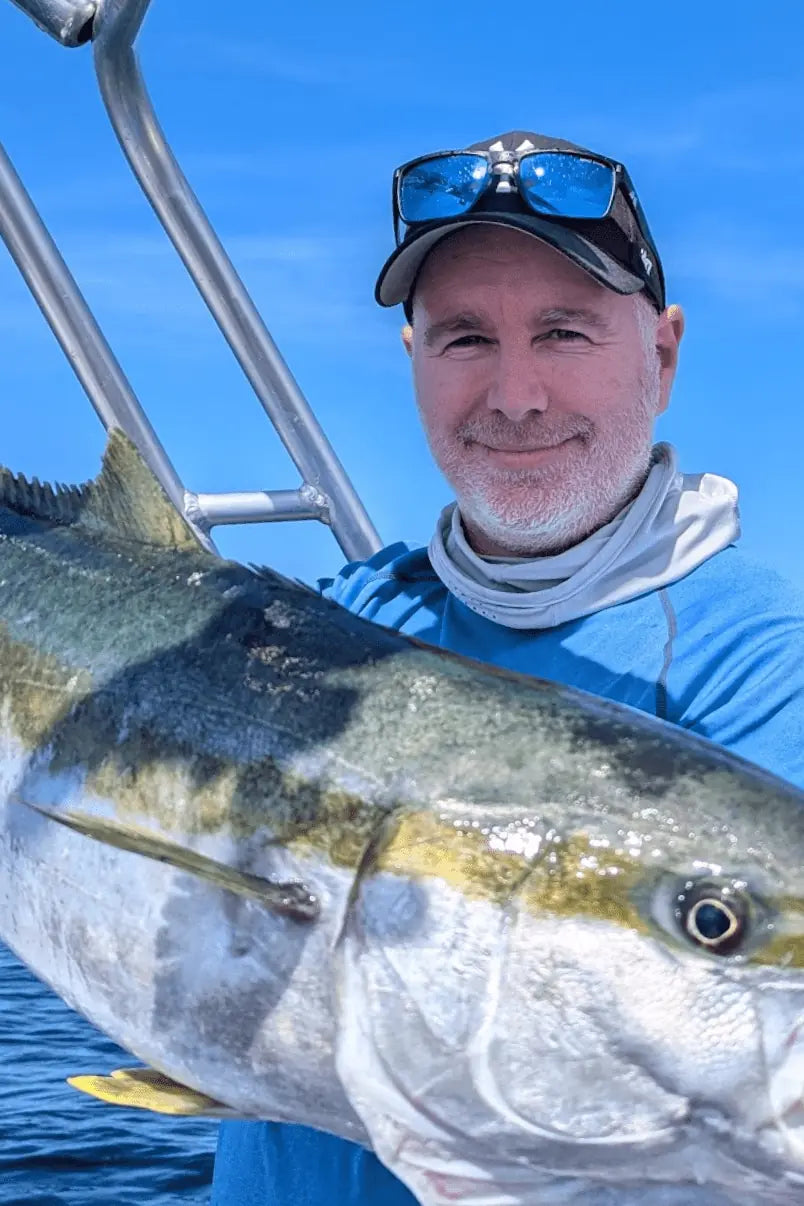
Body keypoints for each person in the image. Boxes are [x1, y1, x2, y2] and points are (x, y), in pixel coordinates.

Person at [210, 129, 804, 1204]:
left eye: (564, 331)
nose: (515, 394)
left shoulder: (768, 668)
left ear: (664, 356)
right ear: (413, 360)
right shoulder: (339, 618)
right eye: (466, 338)